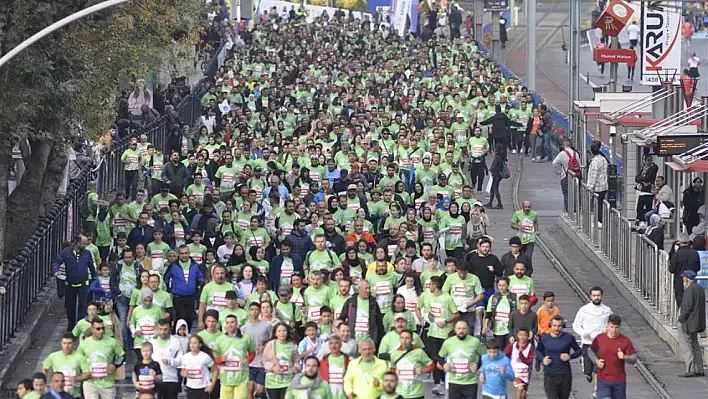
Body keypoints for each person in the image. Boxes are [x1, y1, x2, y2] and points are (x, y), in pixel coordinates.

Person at [572, 286, 612, 396]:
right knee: (588, 369)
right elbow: (576, 325)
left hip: (601, 344)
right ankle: (587, 372)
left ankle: (596, 389)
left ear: (601, 296)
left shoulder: (607, 310)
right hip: (587, 343)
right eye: (594, 295)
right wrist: (583, 333)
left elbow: (611, 325)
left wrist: (606, 331)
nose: (596, 297)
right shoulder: (584, 310)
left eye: (598, 295)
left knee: (599, 366)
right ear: (591, 296)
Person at [52, 234, 97, 330]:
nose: (85, 246)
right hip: (70, 284)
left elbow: (91, 267)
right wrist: (56, 270)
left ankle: (80, 325)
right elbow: (57, 262)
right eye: (83, 244)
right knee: (70, 306)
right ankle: (71, 323)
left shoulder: (87, 253)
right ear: (77, 242)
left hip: (83, 284)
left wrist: (95, 278)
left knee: (83, 305)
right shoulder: (66, 252)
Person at [588, 314, 637, 397]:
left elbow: (634, 359)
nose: (614, 330)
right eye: (611, 327)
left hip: (619, 381)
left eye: (616, 327)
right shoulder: (600, 338)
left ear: (620, 327)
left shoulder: (625, 341)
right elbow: (590, 351)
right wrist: (596, 361)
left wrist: (625, 357)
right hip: (603, 380)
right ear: (607, 326)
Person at [76, 318, 126, 399]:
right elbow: (77, 359)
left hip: (107, 383)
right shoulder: (84, 344)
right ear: (92, 329)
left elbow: (122, 355)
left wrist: (115, 365)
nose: (101, 331)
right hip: (90, 383)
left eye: (103, 328)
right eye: (98, 329)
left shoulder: (112, 341)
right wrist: (84, 372)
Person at [438, 320, 486, 399]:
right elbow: (439, 357)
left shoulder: (475, 342)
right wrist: (444, 365)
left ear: (468, 330)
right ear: (455, 329)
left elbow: (484, 356)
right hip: (454, 381)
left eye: (464, 328)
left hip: (471, 382)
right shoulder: (448, 342)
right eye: (459, 328)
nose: (461, 331)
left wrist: (477, 365)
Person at [537, 316, 582, 399]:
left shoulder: (568, 337)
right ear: (550, 325)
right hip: (550, 374)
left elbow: (579, 351)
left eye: (559, 326)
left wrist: (570, 356)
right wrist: (543, 359)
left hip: (565, 374)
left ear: (563, 326)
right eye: (554, 325)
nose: (557, 328)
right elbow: (538, 351)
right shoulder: (544, 339)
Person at [676, 270, 706, 378]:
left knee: (687, 345)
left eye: (684, 278)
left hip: (688, 323)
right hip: (697, 323)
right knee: (695, 344)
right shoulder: (700, 289)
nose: (683, 280)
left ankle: (690, 368)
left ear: (687, 279)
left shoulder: (689, 290)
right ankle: (699, 368)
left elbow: (687, 308)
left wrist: (680, 319)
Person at [149, 318, 183, 399]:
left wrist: (170, 361)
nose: (163, 332)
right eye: (160, 329)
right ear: (157, 329)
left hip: (171, 378)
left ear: (170, 329)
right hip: (155, 379)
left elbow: (181, 360)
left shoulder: (175, 341)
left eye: (165, 329)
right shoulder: (151, 342)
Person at [41, 333, 83, 398]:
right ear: (61, 343)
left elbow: (87, 373)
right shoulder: (53, 356)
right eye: (64, 343)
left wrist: (76, 379)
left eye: (69, 343)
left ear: (73, 343)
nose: (67, 346)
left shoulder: (80, 357)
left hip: (75, 393)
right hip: (57, 393)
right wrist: (46, 383)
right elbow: (44, 368)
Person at [669, 233, 701, 307]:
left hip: (679, 283)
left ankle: (682, 317)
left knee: (681, 304)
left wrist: (674, 252)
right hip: (692, 281)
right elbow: (698, 268)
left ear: (679, 242)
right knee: (692, 304)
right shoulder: (695, 253)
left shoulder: (677, 255)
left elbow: (672, 269)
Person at [552, 139, 581, 213]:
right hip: (575, 176)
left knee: (566, 194)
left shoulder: (562, 153)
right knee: (575, 193)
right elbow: (579, 165)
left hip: (565, 176)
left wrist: (558, 171)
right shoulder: (576, 153)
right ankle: (575, 211)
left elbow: (554, 163)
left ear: (564, 145)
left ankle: (568, 212)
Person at [585, 141, 609, 225]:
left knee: (597, 205)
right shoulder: (604, 159)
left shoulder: (595, 161)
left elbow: (593, 176)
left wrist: (589, 187)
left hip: (597, 187)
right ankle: (600, 220)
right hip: (604, 186)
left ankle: (599, 221)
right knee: (600, 204)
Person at [486, 143, 506, 209]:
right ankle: (490, 203)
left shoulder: (497, 156)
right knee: (493, 189)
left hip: (496, 174)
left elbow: (494, 164)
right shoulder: (502, 155)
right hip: (499, 175)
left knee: (495, 189)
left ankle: (500, 204)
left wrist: (490, 170)